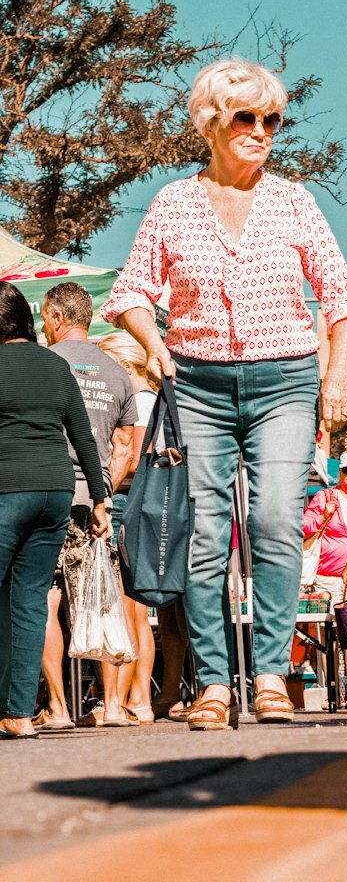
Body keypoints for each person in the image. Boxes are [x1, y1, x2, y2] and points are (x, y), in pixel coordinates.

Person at [103, 56, 347, 730]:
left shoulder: (294, 203)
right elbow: (132, 292)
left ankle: (275, 674)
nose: (262, 130)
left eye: (272, 119)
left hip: (285, 380)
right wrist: (155, 343)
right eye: (246, 117)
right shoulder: (174, 202)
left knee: (277, 520)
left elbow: (344, 298)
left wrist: (337, 379)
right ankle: (215, 684)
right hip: (196, 383)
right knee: (204, 532)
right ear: (212, 124)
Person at [0, 282, 108, 740]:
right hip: (55, 494)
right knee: (28, 603)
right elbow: (83, 436)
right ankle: (19, 714)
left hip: (7, 490)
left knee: (22, 603)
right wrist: (100, 498)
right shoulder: (56, 365)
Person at [33, 282, 137, 730]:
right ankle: (113, 706)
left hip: (47, 493)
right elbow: (126, 447)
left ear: (56, 318)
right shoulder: (117, 371)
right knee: (100, 600)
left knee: (43, 601)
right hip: (95, 504)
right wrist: (104, 489)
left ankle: (57, 708)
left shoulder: (44, 364)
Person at [99, 331, 160, 724]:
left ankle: (118, 702)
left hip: (127, 501)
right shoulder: (151, 398)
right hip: (144, 506)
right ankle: (139, 699)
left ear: (123, 364)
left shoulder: (137, 400)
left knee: (122, 608)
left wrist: (102, 487)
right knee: (136, 610)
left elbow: (135, 458)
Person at [302, 452, 347, 708]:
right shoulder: (326, 497)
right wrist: (322, 517)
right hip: (330, 578)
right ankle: (333, 691)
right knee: (330, 637)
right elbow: (303, 526)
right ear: (340, 472)